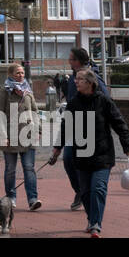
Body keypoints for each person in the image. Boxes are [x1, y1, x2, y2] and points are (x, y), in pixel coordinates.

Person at [59, 67, 129, 237]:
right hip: (81, 154)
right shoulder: (74, 103)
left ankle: (95, 224)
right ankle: (92, 219)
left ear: (90, 83)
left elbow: (119, 124)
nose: (75, 82)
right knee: (85, 192)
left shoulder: (104, 101)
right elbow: (65, 127)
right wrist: (57, 148)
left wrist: (127, 147)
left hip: (102, 153)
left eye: (80, 79)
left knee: (98, 188)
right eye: (76, 79)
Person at [47, 47, 102, 211]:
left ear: (78, 61)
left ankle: (91, 194)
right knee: (69, 159)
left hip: (91, 130)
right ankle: (80, 191)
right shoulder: (72, 79)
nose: (69, 62)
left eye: (71, 59)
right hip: (73, 126)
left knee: (89, 164)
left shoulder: (95, 78)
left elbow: (105, 102)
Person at [0, 63, 42, 211]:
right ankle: (11, 197)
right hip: (10, 135)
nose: (21, 75)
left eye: (22, 73)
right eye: (17, 73)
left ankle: (32, 199)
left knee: (29, 168)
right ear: (10, 75)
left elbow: (35, 111)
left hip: (28, 134)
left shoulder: (27, 91)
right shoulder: (4, 91)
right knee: (10, 169)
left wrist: (38, 129)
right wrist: (3, 135)